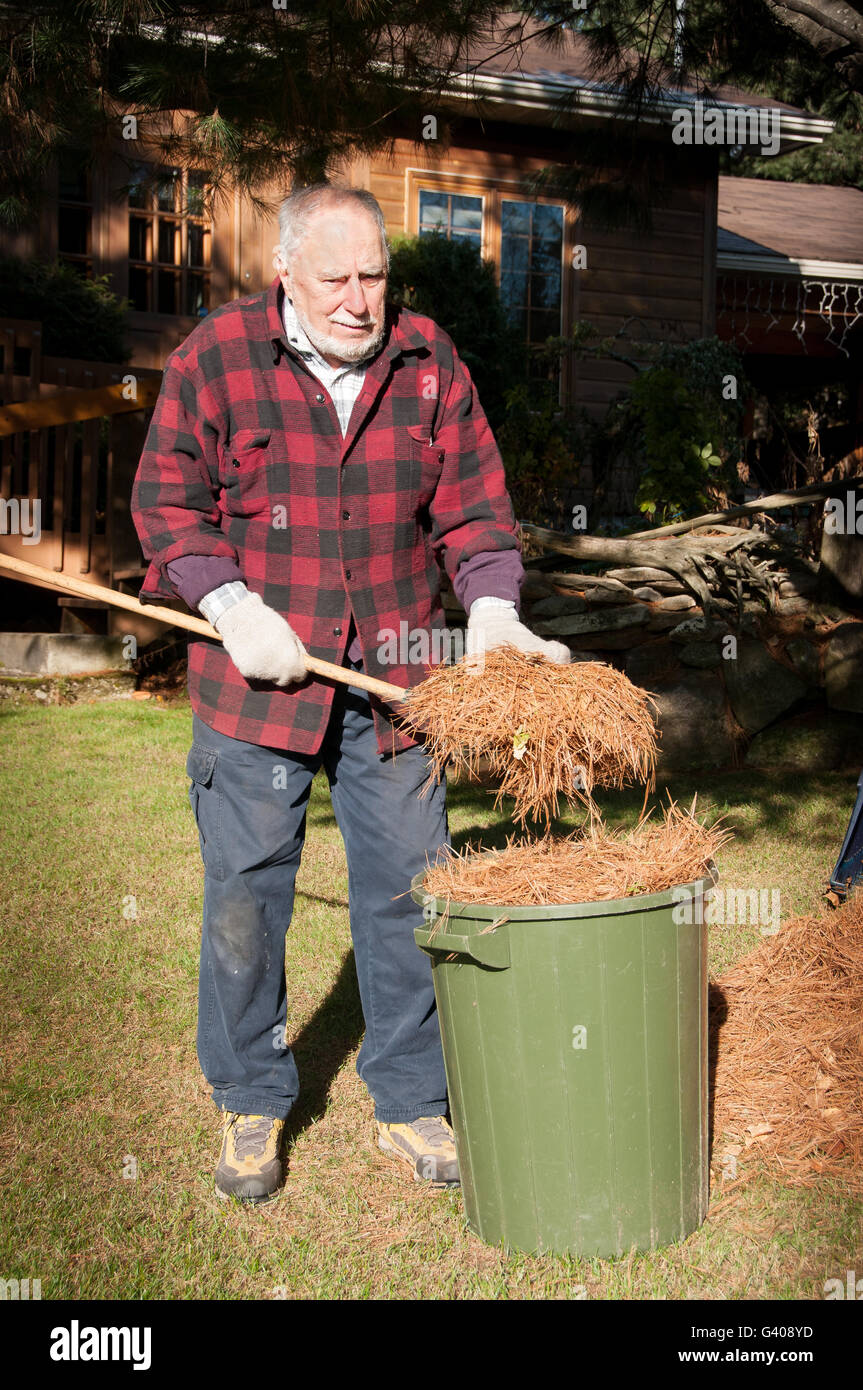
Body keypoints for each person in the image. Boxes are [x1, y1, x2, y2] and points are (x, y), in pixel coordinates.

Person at [131, 183, 570, 1203]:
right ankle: (249, 1096)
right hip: (253, 686)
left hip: (395, 677)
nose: (359, 300)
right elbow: (166, 503)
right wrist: (232, 601)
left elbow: (472, 514)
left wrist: (493, 610)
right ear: (283, 273)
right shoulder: (215, 356)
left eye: (374, 275)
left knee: (412, 892)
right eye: (334, 278)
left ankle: (411, 1098)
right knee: (247, 891)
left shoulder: (428, 363)